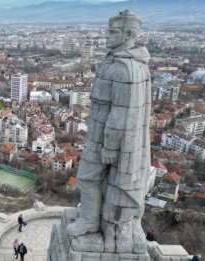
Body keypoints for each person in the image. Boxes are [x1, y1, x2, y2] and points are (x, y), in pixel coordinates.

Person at [65, 10, 152, 254]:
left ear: (128, 34)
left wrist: (111, 146)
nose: (106, 35)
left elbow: (122, 113)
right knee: (94, 180)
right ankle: (93, 217)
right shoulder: (119, 62)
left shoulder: (125, 69)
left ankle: (91, 221)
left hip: (106, 140)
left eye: (112, 31)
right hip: (100, 135)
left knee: (86, 177)